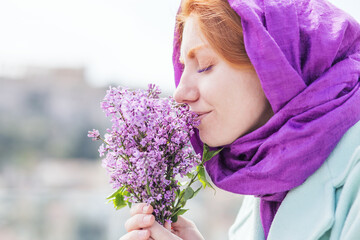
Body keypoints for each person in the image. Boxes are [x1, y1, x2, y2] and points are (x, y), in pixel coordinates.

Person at [120, 0, 360, 239]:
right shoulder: (267, 180)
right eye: (183, 68)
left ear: (273, 62)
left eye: (204, 66)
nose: (179, 93)